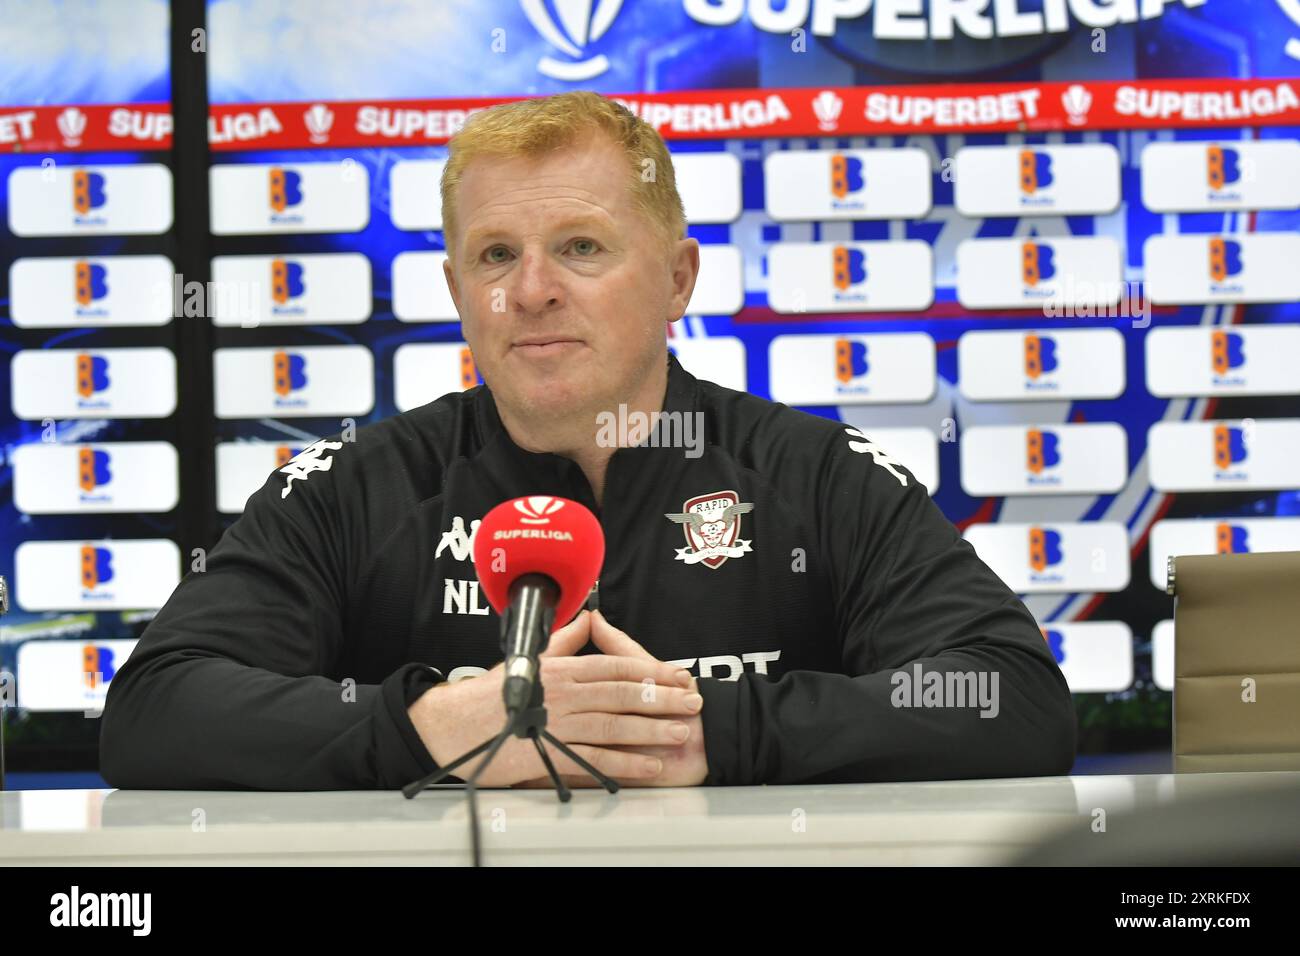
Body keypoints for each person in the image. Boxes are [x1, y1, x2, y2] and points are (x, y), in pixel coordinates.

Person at [100, 91, 1076, 790]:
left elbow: (1013, 698)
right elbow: (154, 712)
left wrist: (708, 733)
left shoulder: (811, 475)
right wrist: (427, 725)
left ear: (679, 279)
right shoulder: (353, 488)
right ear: (454, 295)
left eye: (580, 246)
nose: (531, 291)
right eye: (494, 255)